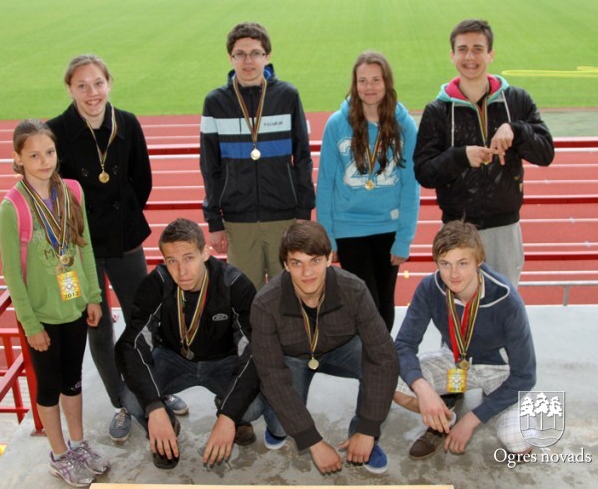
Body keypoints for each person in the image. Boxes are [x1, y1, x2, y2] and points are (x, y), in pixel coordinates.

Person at [47, 54, 187, 443]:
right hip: (81, 248)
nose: (92, 92)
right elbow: (54, 194)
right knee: (98, 326)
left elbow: (143, 180)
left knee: (142, 320)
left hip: (125, 241)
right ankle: (122, 402)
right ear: (70, 89)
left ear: (109, 83)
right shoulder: (55, 131)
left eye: (98, 83)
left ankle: (156, 390)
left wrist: (122, 216)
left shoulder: (127, 122)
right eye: (82, 85)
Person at [114, 218, 281, 469]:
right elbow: (131, 344)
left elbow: (255, 350)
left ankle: (231, 411)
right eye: (172, 261)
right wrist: (155, 408)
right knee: (132, 398)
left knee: (252, 406)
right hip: (173, 359)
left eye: (189, 258)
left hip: (224, 362)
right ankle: (165, 430)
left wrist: (229, 415)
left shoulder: (234, 284)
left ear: (205, 253)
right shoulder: (157, 284)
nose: (181, 271)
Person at [0, 120, 109, 487]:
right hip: (42, 316)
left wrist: (94, 296)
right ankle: (59, 455)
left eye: (49, 152)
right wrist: (30, 325)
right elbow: (12, 274)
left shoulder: (72, 191)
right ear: (18, 158)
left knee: (73, 381)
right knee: (48, 386)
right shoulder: (12, 208)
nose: (44, 161)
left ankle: (78, 444)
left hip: (74, 307)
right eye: (34, 155)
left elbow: (84, 246)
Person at [250, 221, 399, 475]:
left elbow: (384, 357)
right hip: (293, 356)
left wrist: (368, 428)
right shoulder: (265, 303)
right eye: (297, 263)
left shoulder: (354, 289)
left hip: (341, 348)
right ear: (285, 265)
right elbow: (272, 376)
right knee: (281, 427)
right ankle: (277, 420)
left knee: (374, 358)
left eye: (315, 261)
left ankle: (363, 437)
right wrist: (312, 441)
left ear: (329, 258)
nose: (307, 272)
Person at [414, 19, 554, 287]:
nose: (470, 57)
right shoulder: (437, 111)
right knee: (458, 306)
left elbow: (546, 153)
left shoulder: (517, 101)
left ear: (491, 54)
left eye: (478, 49)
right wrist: (460, 157)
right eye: (463, 49)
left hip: (504, 229)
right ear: (452, 55)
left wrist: (516, 130)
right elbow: (424, 172)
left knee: (503, 304)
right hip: (457, 228)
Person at [393, 220, 537, 460]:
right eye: (445, 264)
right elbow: (404, 345)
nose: (453, 274)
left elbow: (525, 375)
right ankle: (445, 420)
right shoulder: (430, 288)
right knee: (390, 379)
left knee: (517, 441)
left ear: (478, 260)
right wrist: (423, 390)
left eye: (462, 263)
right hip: (455, 361)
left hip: (500, 371)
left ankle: (495, 409)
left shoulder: (506, 299)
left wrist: (472, 419)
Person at [200, 22, 316, 290]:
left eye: (255, 53)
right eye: (240, 54)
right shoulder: (215, 102)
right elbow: (209, 165)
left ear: (267, 56)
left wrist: (303, 211)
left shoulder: (287, 96)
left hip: (283, 217)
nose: (248, 61)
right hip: (238, 220)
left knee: (288, 292)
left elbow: (302, 157)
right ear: (230, 58)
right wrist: (214, 221)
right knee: (244, 295)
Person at [316, 51, 420, 333]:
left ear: (387, 82)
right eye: (362, 80)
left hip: (389, 227)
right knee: (364, 304)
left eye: (376, 80)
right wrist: (328, 237)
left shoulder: (404, 125)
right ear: (355, 84)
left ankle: (380, 357)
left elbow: (411, 186)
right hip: (349, 229)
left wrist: (404, 239)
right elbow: (325, 184)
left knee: (384, 302)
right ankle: (370, 356)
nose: (369, 87)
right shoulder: (336, 124)